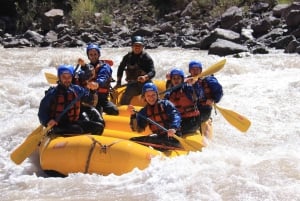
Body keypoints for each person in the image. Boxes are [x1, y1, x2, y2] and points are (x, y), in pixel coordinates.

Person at [38, 64, 104, 135]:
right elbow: (42, 112)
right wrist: (47, 121)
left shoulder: (77, 89)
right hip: (58, 124)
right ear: (59, 77)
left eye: (69, 77)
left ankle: (93, 144)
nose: (67, 79)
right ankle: (55, 133)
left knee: (99, 127)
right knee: (77, 129)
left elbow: (91, 102)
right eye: (64, 77)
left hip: (73, 122)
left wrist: (92, 91)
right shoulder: (52, 93)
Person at [127, 83, 182, 149]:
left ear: (157, 94)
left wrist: (173, 128)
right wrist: (133, 116)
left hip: (173, 137)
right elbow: (138, 129)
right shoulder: (144, 111)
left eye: (153, 95)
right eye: (148, 96)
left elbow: (176, 115)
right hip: (160, 137)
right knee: (133, 140)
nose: (151, 98)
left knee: (157, 140)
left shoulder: (165, 104)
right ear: (144, 96)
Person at [115, 36, 156, 105]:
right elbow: (121, 68)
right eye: (135, 45)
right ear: (132, 46)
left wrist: (145, 77)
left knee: (151, 95)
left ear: (142, 47)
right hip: (133, 84)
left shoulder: (146, 58)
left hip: (145, 84)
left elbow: (152, 71)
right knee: (125, 98)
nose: (137, 47)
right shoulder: (127, 57)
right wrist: (118, 82)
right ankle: (123, 111)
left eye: (139, 45)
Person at [85, 43, 119, 115]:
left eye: (95, 54)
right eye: (91, 54)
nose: (93, 56)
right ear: (88, 56)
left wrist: (97, 83)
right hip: (89, 97)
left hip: (102, 98)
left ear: (99, 55)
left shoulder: (105, 66)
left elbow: (104, 77)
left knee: (115, 110)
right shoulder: (86, 68)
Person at [164, 68, 201, 134]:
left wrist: (194, 84)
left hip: (192, 121)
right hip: (178, 121)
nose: (176, 80)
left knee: (174, 130)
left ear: (182, 79)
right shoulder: (169, 93)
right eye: (174, 78)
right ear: (171, 80)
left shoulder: (187, 89)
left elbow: (199, 94)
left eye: (178, 78)